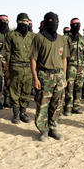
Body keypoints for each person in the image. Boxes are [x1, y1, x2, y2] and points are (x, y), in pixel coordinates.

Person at [30, 12, 68, 141]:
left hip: (59, 75)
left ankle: (53, 128)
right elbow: (33, 59)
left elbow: (64, 60)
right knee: (42, 104)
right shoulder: (39, 38)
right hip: (44, 75)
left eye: (56, 21)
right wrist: (35, 78)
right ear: (45, 22)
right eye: (51, 21)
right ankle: (43, 130)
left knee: (57, 104)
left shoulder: (62, 39)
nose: (54, 23)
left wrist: (64, 76)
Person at [5, 13, 35, 124]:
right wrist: (7, 70)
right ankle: (16, 114)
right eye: (21, 21)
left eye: (26, 22)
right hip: (15, 67)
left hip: (28, 68)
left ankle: (23, 113)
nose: (24, 24)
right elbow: (7, 53)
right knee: (14, 91)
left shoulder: (32, 36)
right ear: (17, 22)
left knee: (26, 91)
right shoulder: (11, 35)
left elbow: (35, 54)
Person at [63, 18, 84, 116]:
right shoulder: (66, 38)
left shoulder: (82, 39)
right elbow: (63, 55)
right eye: (74, 24)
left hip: (80, 67)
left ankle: (76, 107)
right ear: (71, 25)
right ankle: (68, 108)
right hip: (70, 67)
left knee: (78, 88)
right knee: (69, 88)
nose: (76, 26)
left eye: (78, 24)